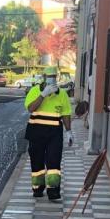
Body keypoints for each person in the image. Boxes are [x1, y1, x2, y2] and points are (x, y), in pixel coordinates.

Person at [24, 66, 72, 200]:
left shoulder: (61, 94)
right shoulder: (34, 91)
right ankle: (38, 188)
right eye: (49, 77)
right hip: (36, 132)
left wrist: (69, 132)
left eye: (53, 77)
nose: (51, 80)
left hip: (54, 134)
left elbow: (66, 113)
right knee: (37, 162)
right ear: (43, 78)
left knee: (54, 162)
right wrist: (43, 95)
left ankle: (53, 190)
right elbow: (30, 108)